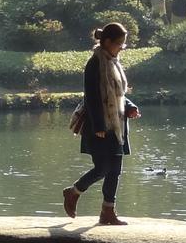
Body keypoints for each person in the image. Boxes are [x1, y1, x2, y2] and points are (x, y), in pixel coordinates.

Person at [60, 21, 140, 226]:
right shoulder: (95, 63)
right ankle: (74, 191)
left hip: (117, 124)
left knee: (115, 169)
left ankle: (108, 212)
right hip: (101, 124)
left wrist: (130, 106)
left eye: (123, 44)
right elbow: (92, 97)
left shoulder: (114, 62)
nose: (122, 47)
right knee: (103, 167)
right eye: (119, 43)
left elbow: (119, 93)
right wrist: (98, 127)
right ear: (106, 42)